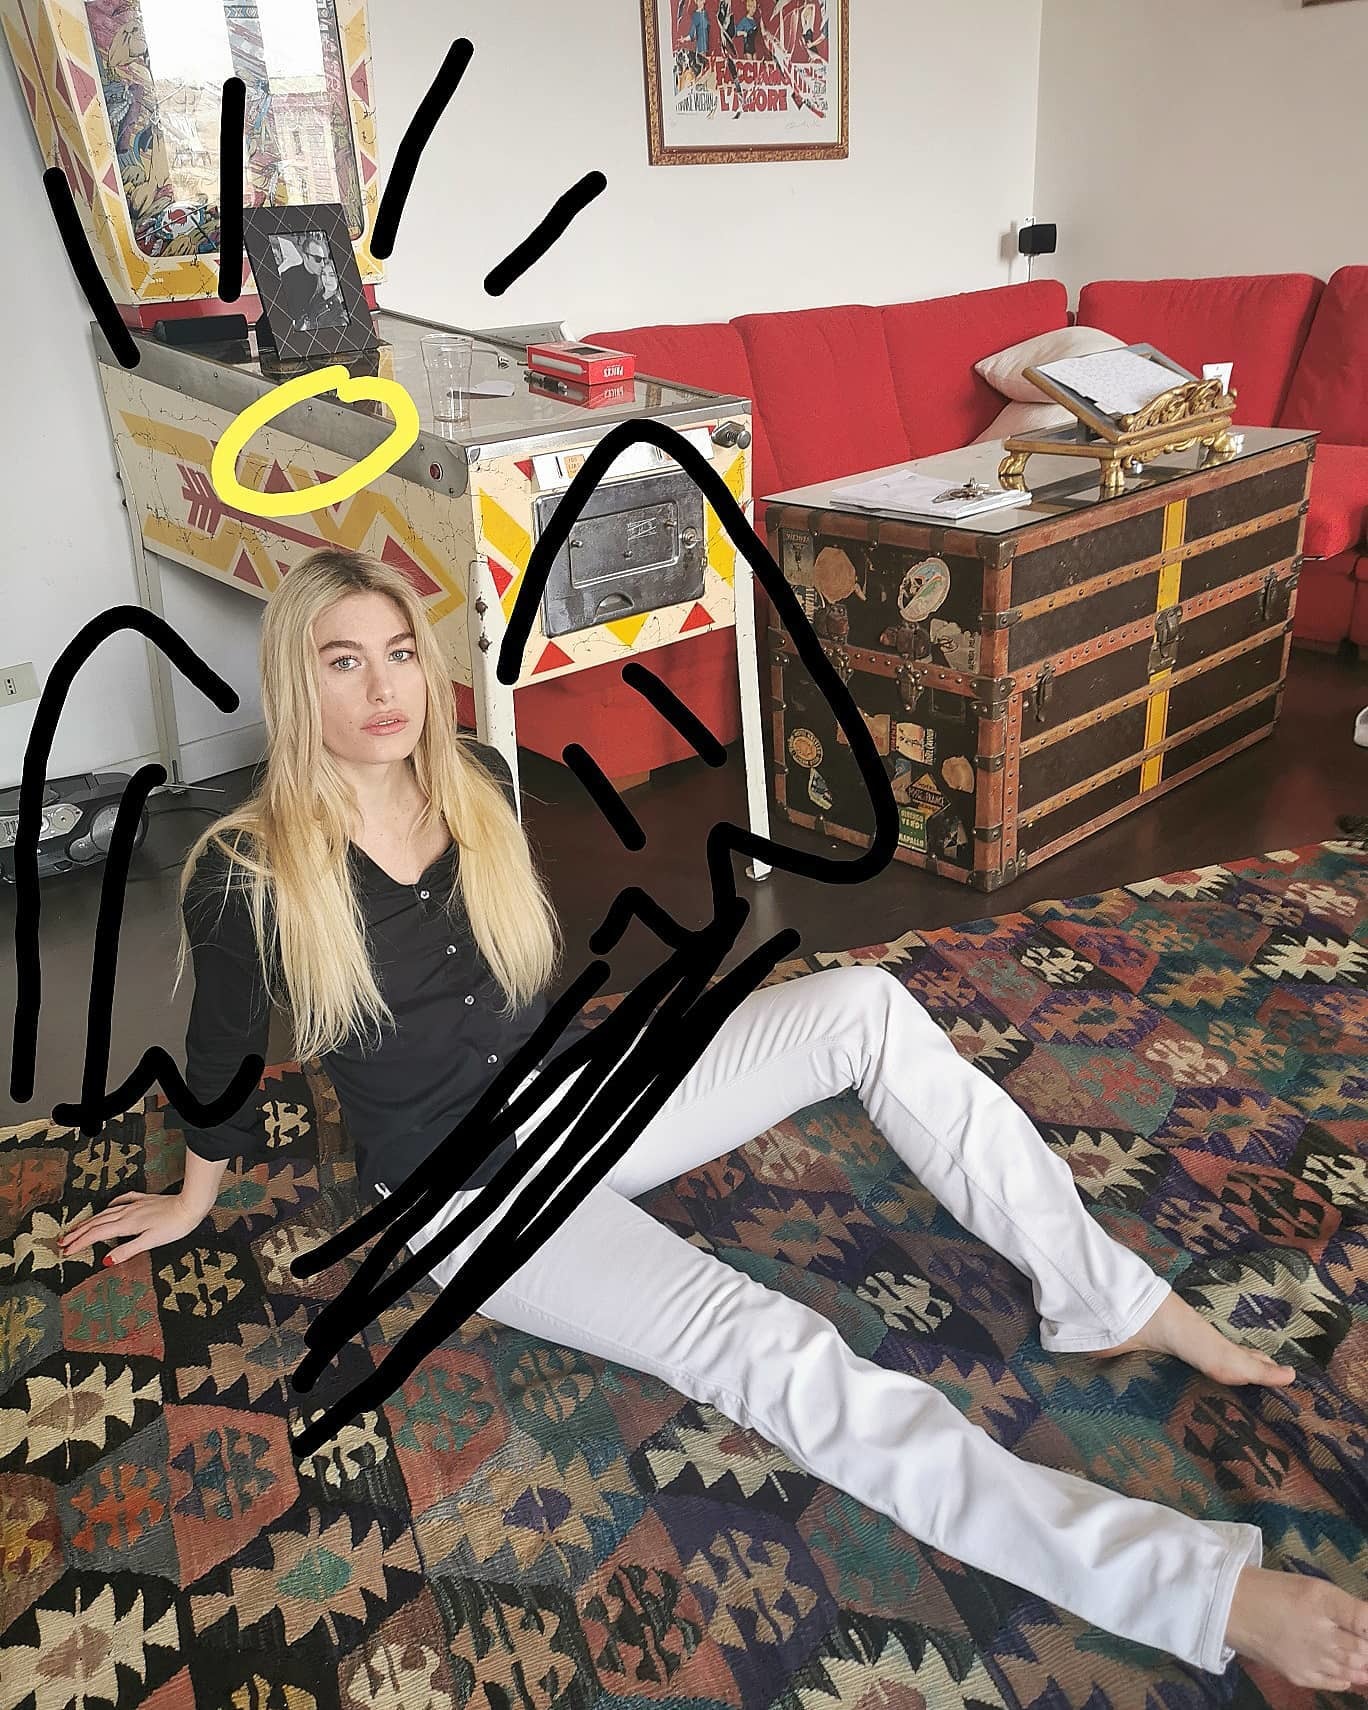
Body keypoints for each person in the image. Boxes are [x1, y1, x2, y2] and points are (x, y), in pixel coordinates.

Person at [57, 546, 1368, 1695]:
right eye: (343, 662)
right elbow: (221, 1049)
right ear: (298, 685)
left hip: (575, 1096)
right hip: (465, 1195)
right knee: (768, 1344)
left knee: (862, 1004)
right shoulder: (248, 867)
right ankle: (1190, 1590)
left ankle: (1109, 1297)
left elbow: (516, 996)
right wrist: (191, 1194)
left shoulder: (478, 783)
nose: (383, 687)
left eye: (400, 651)